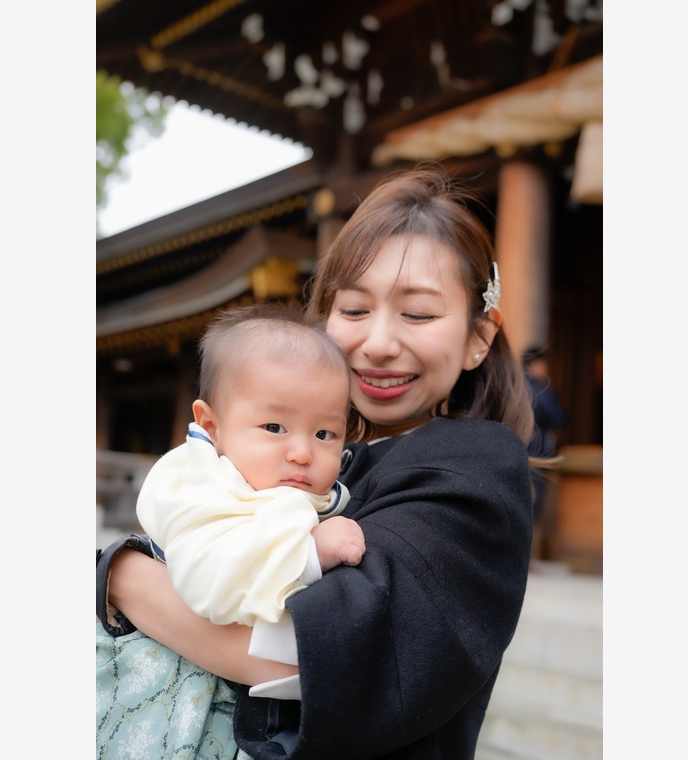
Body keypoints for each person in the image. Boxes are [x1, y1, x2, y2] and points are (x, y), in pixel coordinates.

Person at [97, 165, 537, 759]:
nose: (378, 343)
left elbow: (315, 649)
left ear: (480, 335)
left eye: (419, 314)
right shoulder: (323, 462)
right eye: (354, 310)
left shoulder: (475, 465)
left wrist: (121, 575)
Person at [96, 302, 366, 758]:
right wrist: (307, 554)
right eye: (275, 426)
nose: (302, 451)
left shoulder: (300, 489)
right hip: (159, 686)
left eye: (324, 434)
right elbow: (210, 581)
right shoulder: (197, 484)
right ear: (211, 426)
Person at [522, 345, 567, 522]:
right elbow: (559, 418)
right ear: (535, 364)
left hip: (516, 444)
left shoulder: (513, 384)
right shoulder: (541, 389)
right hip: (538, 447)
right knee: (535, 497)